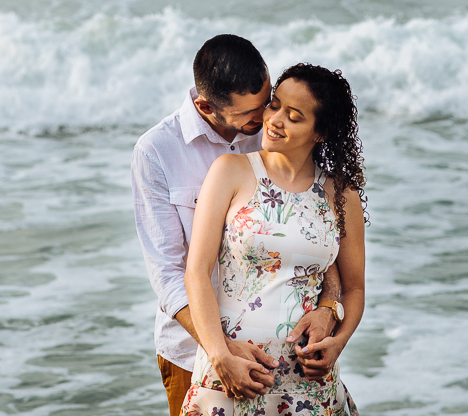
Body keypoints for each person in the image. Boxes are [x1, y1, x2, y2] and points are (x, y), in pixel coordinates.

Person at [132, 36, 342, 416]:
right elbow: (168, 272)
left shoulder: (273, 134)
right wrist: (220, 351)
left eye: (269, 102)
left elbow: (313, 235)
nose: (265, 118)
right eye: (253, 112)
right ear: (205, 106)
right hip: (190, 350)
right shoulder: (157, 152)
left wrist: (330, 305)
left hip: (287, 362)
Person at [182, 63, 367, 416]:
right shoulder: (230, 171)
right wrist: (219, 356)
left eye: (294, 116)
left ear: (321, 132)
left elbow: (354, 288)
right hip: (233, 373)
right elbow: (196, 272)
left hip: (308, 385)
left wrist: (338, 342)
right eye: (275, 104)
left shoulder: (341, 194)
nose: (275, 119)